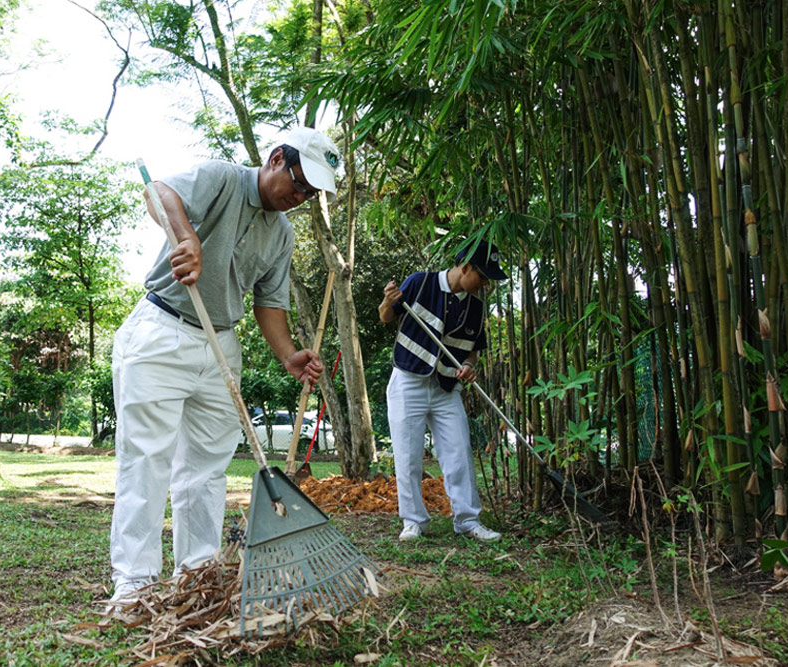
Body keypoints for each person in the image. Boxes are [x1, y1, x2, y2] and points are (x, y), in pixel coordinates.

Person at [109, 128, 338, 605]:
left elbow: (269, 304)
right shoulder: (222, 177)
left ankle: (197, 576)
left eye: (310, 194)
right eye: (299, 184)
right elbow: (158, 191)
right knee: (146, 460)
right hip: (162, 329)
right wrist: (186, 236)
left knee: (207, 467)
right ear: (276, 159)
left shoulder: (282, 233)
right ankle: (135, 584)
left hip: (221, 345)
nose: (299, 197)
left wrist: (288, 354)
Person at [377, 240, 507, 542]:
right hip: (408, 380)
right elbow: (386, 316)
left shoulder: (477, 307)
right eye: (483, 276)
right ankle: (413, 522)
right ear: (466, 267)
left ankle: (468, 521)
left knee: (459, 452)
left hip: (446, 387)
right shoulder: (420, 283)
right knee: (408, 456)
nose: (486, 284)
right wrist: (387, 301)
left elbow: (472, 350)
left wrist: (469, 365)